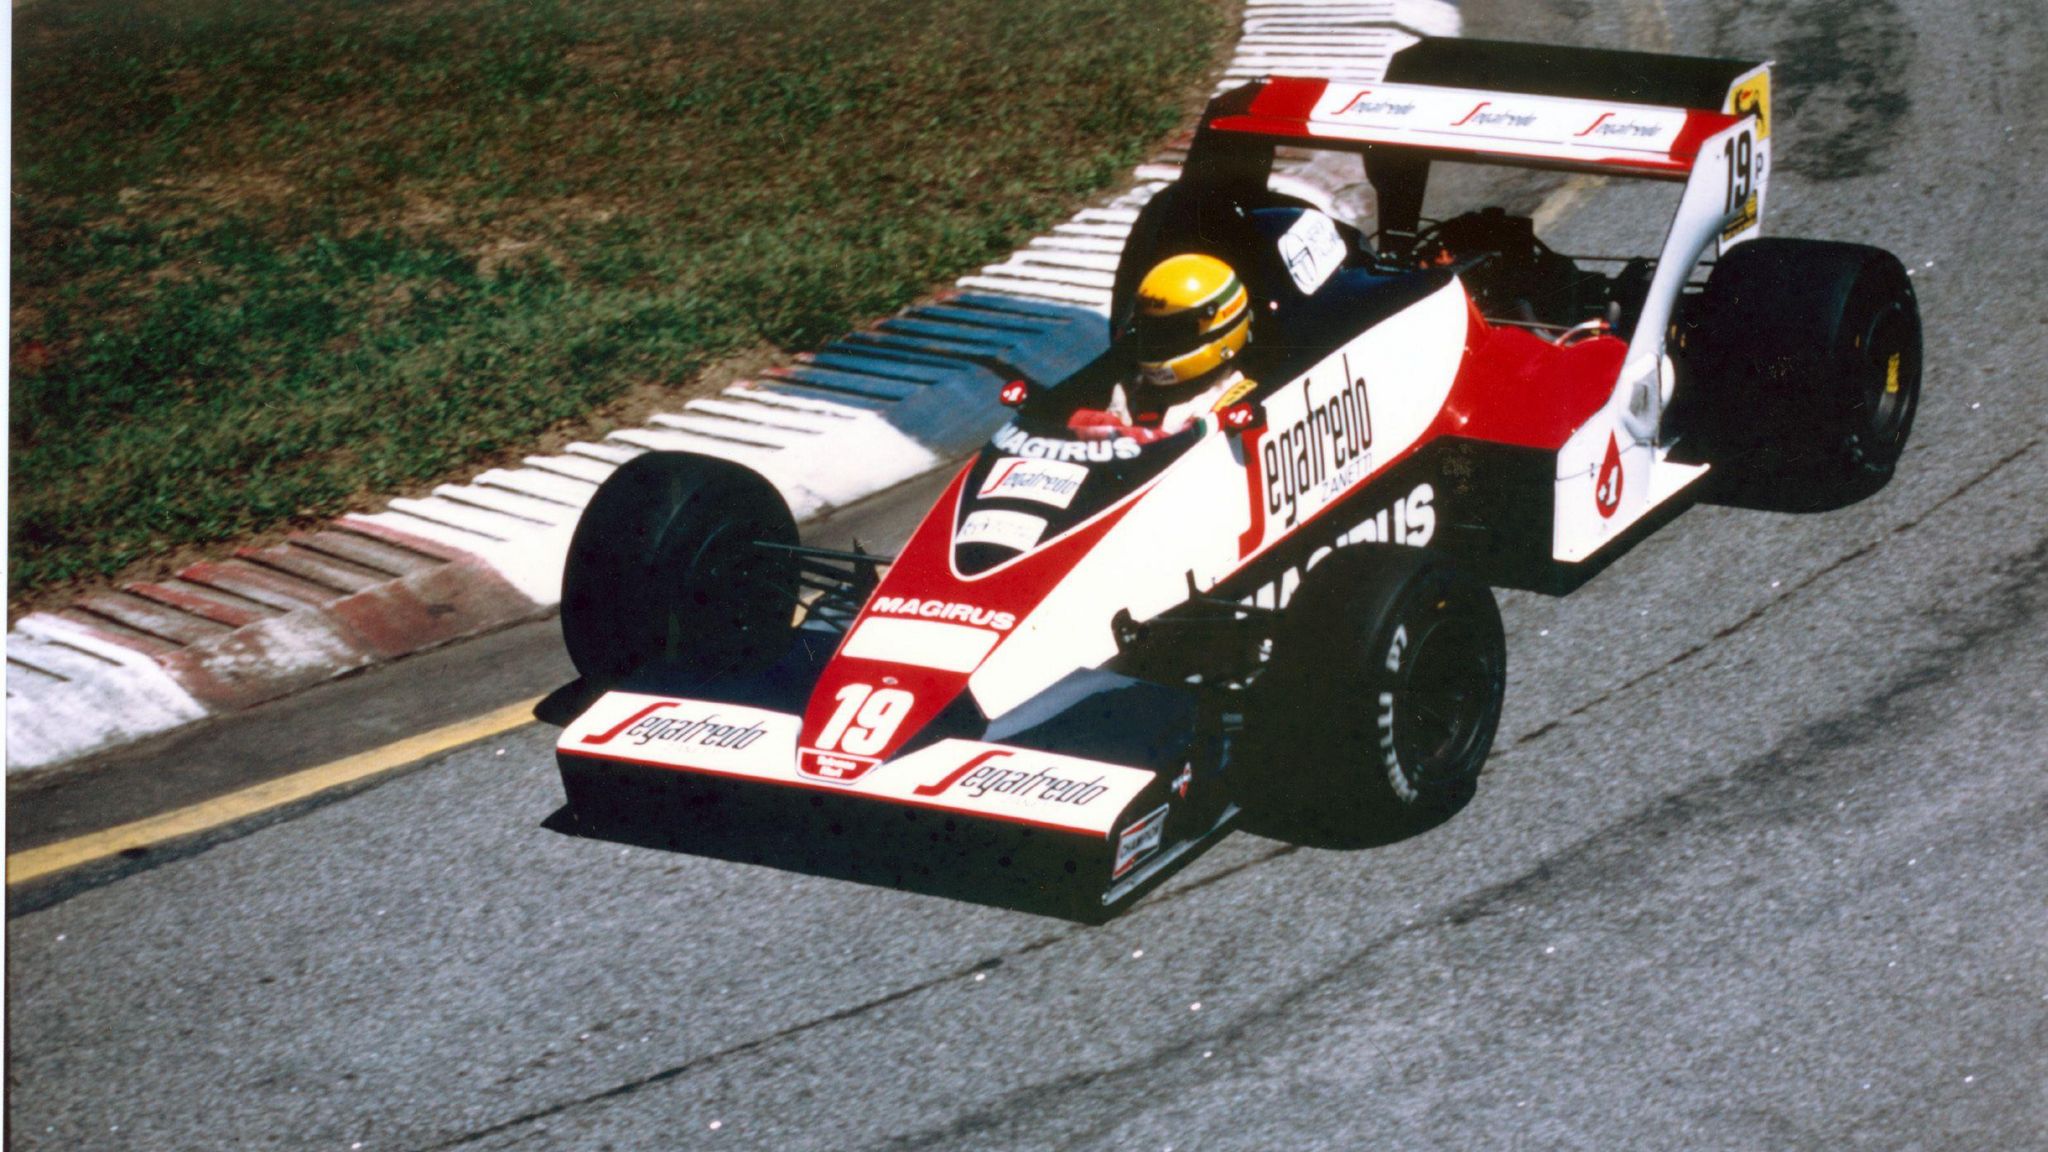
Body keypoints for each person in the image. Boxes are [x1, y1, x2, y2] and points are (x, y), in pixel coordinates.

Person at [1069, 253, 1253, 444]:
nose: (1157, 342)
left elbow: (1168, 446)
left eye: (1170, 333)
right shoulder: (1132, 388)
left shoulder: (1230, 401)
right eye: (1150, 329)